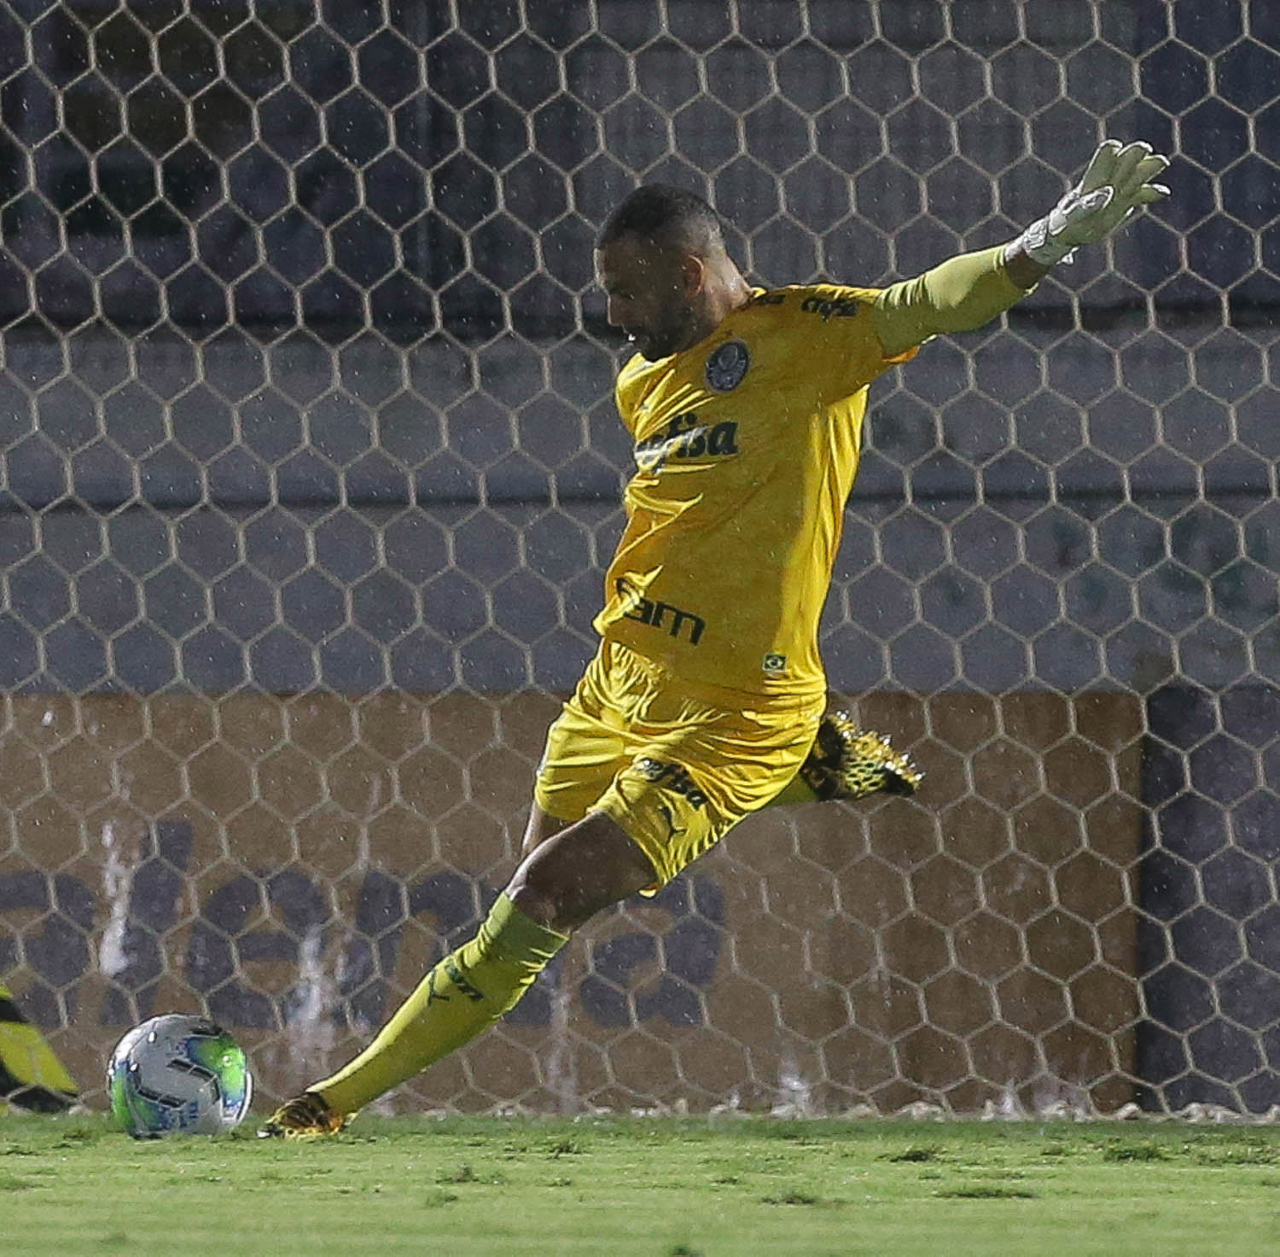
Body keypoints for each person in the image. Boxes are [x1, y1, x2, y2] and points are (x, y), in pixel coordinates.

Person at [261, 139, 1170, 1136]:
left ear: (689, 275)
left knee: (544, 891)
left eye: (623, 291)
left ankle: (330, 1103)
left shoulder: (807, 339)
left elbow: (930, 301)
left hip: (737, 709)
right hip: (619, 682)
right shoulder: (641, 382)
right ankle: (802, 772)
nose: (611, 313)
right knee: (531, 906)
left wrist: (1043, 244)